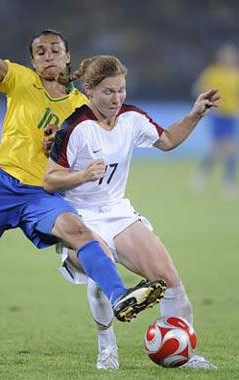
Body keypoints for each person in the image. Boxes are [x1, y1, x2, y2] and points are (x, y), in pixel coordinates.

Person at [0, 1, 166, 363]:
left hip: (42, 193)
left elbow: (100, 137)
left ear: (67, 58)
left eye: (55, 50)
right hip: (0, 185)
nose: (48, 56)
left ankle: (119, 294)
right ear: (33, 61)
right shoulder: (19, 79)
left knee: (78, 231)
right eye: (40, 51)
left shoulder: (82, 107)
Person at [43, 55, 219, 370]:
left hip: (118, 213)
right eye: (108, 92)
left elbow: (166, 141)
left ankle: (182, 354)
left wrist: (195, 115)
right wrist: (81, 176)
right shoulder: (75, 127)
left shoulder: (132, 118)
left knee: (168, 278)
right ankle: (106, 348)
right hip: (80, 216)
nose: (117, 98)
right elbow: (49, 181)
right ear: (89, 90)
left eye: (121, 90)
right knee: (102, 267)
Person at [192, 44, 239, 198]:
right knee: (225, 149)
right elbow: (198, 88)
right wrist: (208, 103)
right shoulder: (213, 72)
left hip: (231, 116)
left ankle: (202, 176)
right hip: (218, 115)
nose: (228, 59)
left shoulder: (235, 74)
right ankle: (228, 182)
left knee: (220, 150)